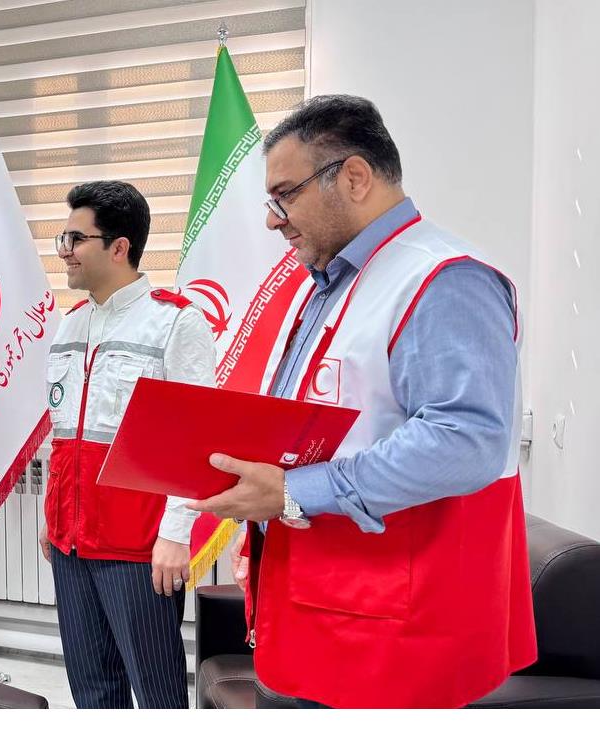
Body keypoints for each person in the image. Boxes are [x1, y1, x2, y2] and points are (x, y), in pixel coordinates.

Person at [188, 95, 536, 708]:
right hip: (313, 605)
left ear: (353, 176)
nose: (272, 221)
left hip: (392, 632)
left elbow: (466, 440)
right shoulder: (327, 284)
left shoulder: (443, 277)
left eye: (285, 196)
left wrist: (293, 491)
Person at [39, 181, 215, 708]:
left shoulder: (175, 321)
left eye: (76, 239)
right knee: (92, 690)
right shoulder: (69, 325)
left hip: (139, 548)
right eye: (63, 238)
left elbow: (197, 439)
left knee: (157, 694)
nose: (65, 251)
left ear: (119, 247)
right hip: (70, 542)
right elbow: (62, 432)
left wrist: (176, 535)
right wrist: (50, 516)